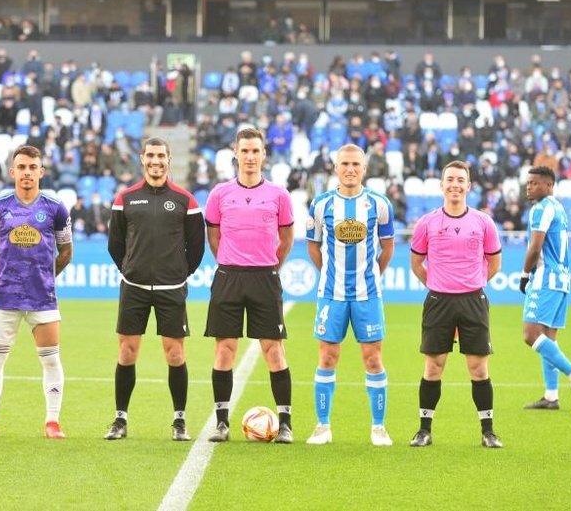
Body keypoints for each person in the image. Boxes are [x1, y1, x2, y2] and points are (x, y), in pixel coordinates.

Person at [103, 137, 206, 441]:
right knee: (126, 352)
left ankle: (179, 420)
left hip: (171, 288)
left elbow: (196, 247)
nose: (155, 161)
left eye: (161, 155)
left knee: (174, 355)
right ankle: (120, 419)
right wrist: (129, 269)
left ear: (169, 159)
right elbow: (115, 244)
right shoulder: (126, 198)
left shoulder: (186, 200)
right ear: (142, 158)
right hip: (133, 287)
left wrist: (179, 272)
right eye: (150, 155)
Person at [0, 145, 73, 439]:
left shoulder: (56, 208)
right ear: (12, 171)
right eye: (22, 167)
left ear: (41, 172)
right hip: (5, 296)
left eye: (32, 167)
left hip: (42, 296)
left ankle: (52, 422)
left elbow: (66, 251)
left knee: (51, 359)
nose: (27, 172)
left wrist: (44, 276)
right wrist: (8, 274)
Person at [204, 127, 295, 443]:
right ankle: (221, 423)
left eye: (256, 151)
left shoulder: (279, 195)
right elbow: (213, 235)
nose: (250, 157)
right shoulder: (219, 194)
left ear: (264, 154)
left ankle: (285, 423)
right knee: (224, 349)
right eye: (245, 151)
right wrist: (229, 261)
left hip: (264, 277)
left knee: (273, 350)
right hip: (229, 276)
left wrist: (270, 265)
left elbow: (286, 238)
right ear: (235, 153)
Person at [304, 144, 396, 447]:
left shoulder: (379, 205)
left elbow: (388, 247)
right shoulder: (320, 205)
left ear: (365, 168)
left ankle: (379, 427)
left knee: (373, 359)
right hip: (331, 294)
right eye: (345, 163)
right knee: (327, 357)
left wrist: (372, 277)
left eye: (356, 164)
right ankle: (323, 426)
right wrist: (329, 276)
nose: (350, 169)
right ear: (335, 168)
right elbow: (314, 248)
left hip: (368, 294)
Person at [409, 160, 504, 448]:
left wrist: (469, 284)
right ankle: (424, 430)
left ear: (468, 186)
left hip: (473, 300)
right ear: (442, 185)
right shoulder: (427, 222)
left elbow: (494, 264)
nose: (455, 185)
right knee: (434, 365)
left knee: (478, 368)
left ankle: (488, 431)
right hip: (439, 301)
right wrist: (439, 285)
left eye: (460, 180)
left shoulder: (483, 222)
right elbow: (416, 263)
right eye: (450, 179)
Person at [519, 166, 571, 410]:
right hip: (562, 279)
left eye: (535, 183)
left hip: (545, 276)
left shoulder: (540, 209)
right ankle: (551, 396)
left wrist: (524, 274)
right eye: (528, 183)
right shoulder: (558, 207)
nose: (529, 186)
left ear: (549, 186)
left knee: (531, 334)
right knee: (548, 337)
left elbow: (535, 248)